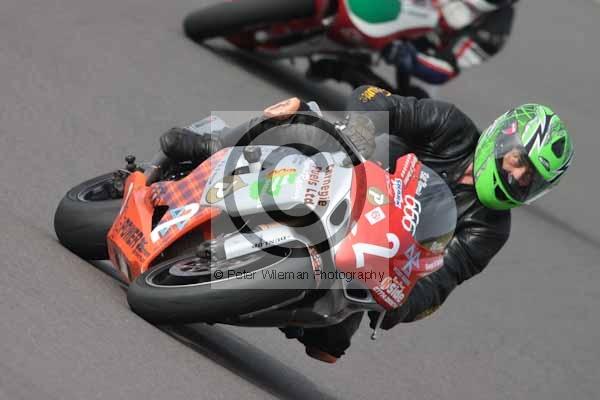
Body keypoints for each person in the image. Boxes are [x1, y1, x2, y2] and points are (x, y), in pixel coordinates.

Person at [160, 85, 574, 363]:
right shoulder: (451, 125)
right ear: (503, 138)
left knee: (330, 343)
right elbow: (375, 98)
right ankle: (209, 147)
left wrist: (401, 303)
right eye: (519, 161)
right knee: (309, 120)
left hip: (368, 254)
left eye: (530, 179)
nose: (517, 177)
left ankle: (240, 294)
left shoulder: (491, 229)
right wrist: (361, 126)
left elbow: (440, 283)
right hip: (338, 176)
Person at [308, 0, 518, 98]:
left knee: (418, 108)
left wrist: (410, 59)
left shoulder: (494, 30)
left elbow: (448, 68)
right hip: (391, 7)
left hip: (417, 48)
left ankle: (345, 70)